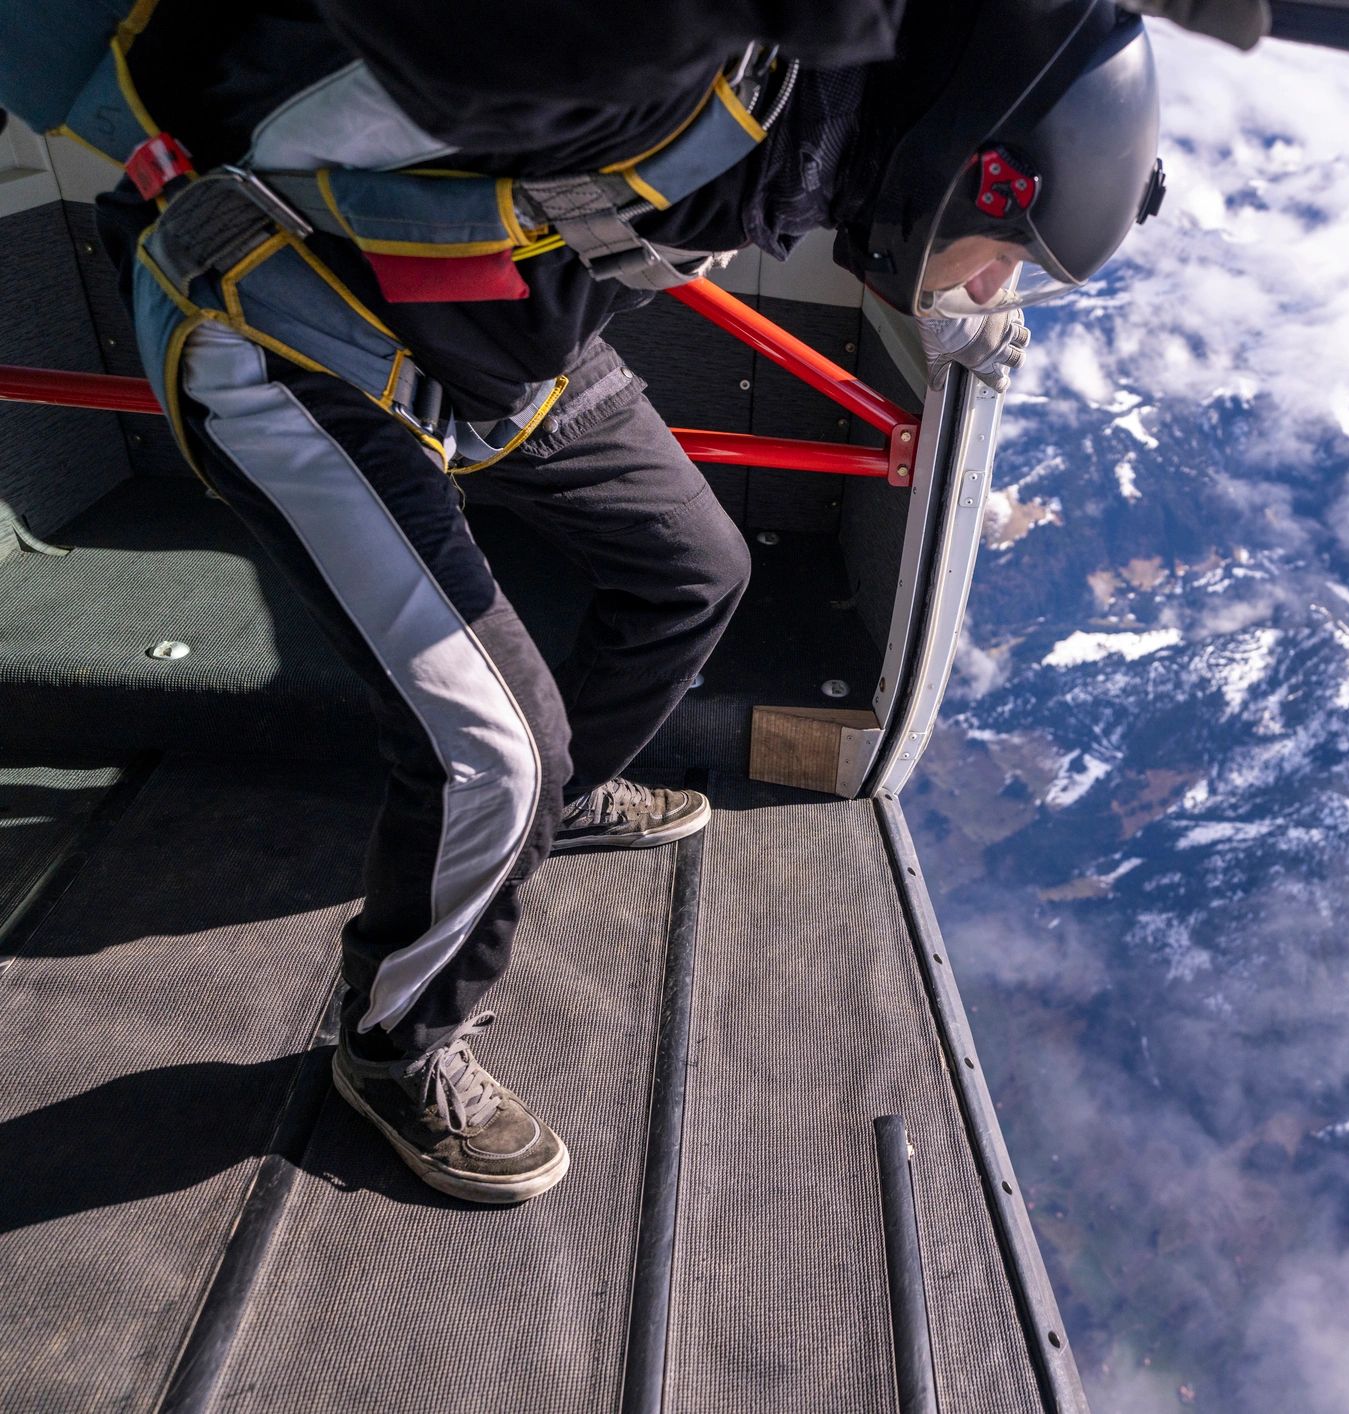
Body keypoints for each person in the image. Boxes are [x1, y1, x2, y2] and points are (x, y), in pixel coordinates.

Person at [75, 0, 1163, 1202]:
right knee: (497, 755)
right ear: (967, 169)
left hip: (492, 330)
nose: (994, 287)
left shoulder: (819, 130)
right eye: (1007, 256)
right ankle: (398, 1048)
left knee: (696, 571)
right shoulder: (667, 61)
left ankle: (566, 797)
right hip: (287, 322)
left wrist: (958, 287)